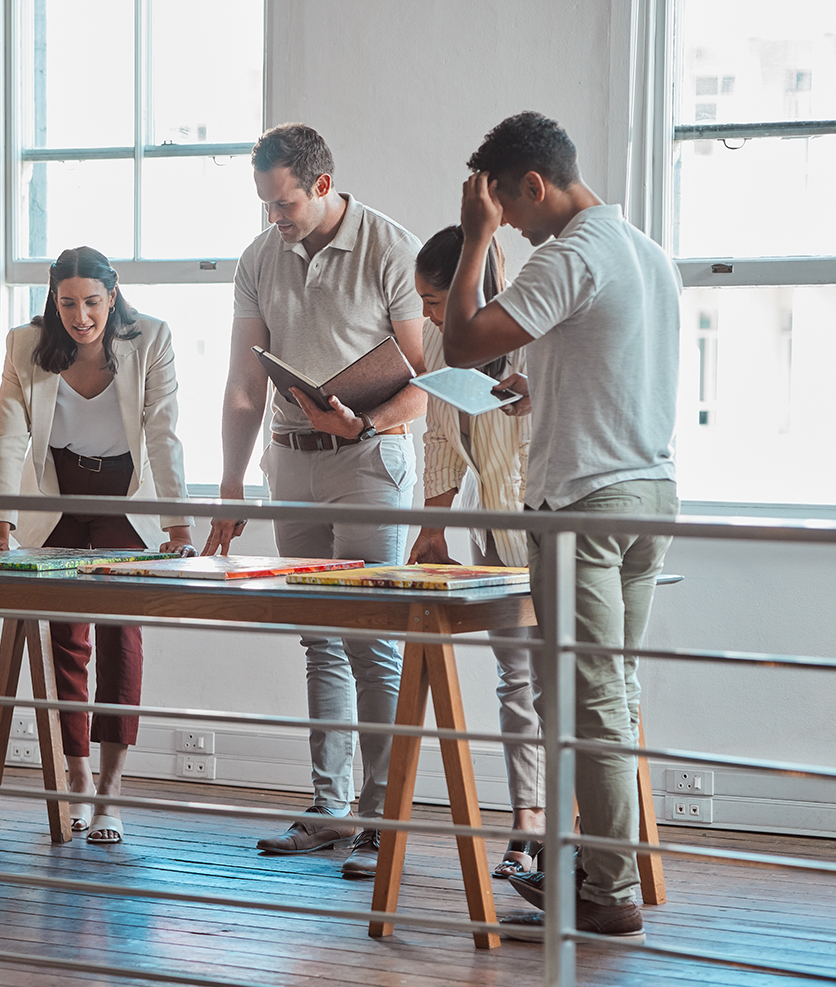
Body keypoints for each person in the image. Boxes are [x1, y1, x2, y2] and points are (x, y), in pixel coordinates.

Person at [439, 111, 681, 941]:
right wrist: (538, 392)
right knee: (607, 691)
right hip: (649, 494)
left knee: (589, 702)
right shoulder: (644, 252)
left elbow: (465, 341)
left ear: (530, 187)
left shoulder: (569, 252)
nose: (508, 218)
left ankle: (607, 891)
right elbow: (612, 364)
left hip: (585, 504)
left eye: (507, 204)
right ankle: (594, 868)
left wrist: (476, 240)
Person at [203, 123, 427, 878]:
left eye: (284, 203)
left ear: (322, 185)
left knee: (372, 638)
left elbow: (425, 378)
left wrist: (364, 419)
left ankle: (380, 821)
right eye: (265, 204)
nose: (275, 218)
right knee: (319, 636)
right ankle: (330, 810)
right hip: (289, 461)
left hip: (368, 459)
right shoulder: (259, 258)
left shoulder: (390, 247)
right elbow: (243, 384)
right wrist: (231, 484)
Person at [0, 245, 193, 845]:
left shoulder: (151, 339)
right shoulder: (27, 344)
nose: (81, 316)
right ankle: (78, 781)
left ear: (112, 296)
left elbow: (164, 432)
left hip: (126, 497)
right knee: (65, 637)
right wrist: (0, 526)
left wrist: (178, 528)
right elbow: (8, 439)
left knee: (123, 634)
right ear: (53, 298)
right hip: (58, 496)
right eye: (68, 303)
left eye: (92, 302)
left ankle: (113, 793)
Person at [409, 225, 545, 880]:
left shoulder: (534, 327)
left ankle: (575, 831)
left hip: (547, 530)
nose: (430, 315)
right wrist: (432, 529)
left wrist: (533, 397)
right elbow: (439, 437)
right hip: (488, 535)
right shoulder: (442, 342)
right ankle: (529, 819)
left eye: (434, 300)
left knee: (562, 683)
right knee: (516, 679)